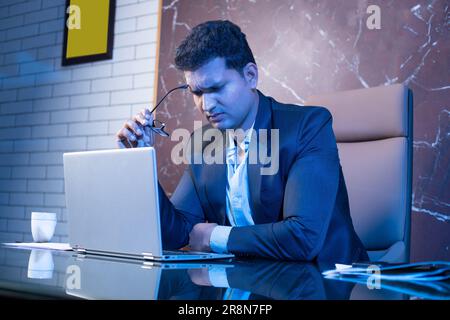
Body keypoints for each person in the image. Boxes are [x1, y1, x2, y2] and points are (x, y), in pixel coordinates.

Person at [116, 20, 368, 263]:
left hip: (323, 283)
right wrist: (141, 162)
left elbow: (303, 237)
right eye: (197, 93)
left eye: (216, 88)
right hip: (250, 285)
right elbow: (177, 234)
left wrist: (213, 236)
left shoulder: (308, 126)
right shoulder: (202, 142)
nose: (206, 105)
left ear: (250, 76)